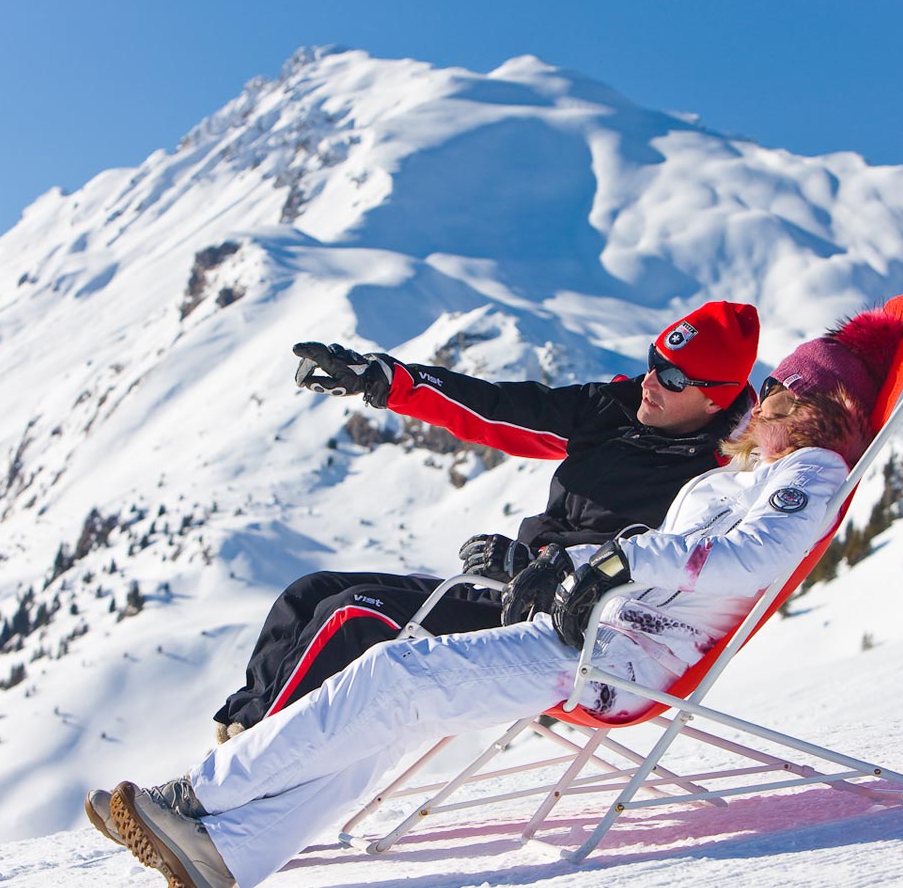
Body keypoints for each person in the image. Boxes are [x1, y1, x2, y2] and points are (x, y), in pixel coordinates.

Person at [98, 308, 903, 888]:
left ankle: (199, 796)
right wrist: (394, 383)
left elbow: (745, 554)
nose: (650, 387)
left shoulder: (802, 472)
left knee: (393, 675)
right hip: (585, 619)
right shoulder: (741, 464)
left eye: (777, 397)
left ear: (801, 408)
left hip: (607, 647)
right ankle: (232, 851)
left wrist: (612, 563)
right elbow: (516, 410)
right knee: (394, 695)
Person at [211, 301, 761, 736]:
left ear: (719, 399)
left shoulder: (718, 478)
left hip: (564, 629)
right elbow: (504, 409)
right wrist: (386, 380)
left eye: (672, 378)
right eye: (652, 362)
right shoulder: (618, 412)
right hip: (512, 589)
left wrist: (549, 566)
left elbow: (660, 572)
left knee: (357, 616)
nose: (650, 381)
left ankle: (231, 782)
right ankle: (241, 736)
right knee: (308, 594)